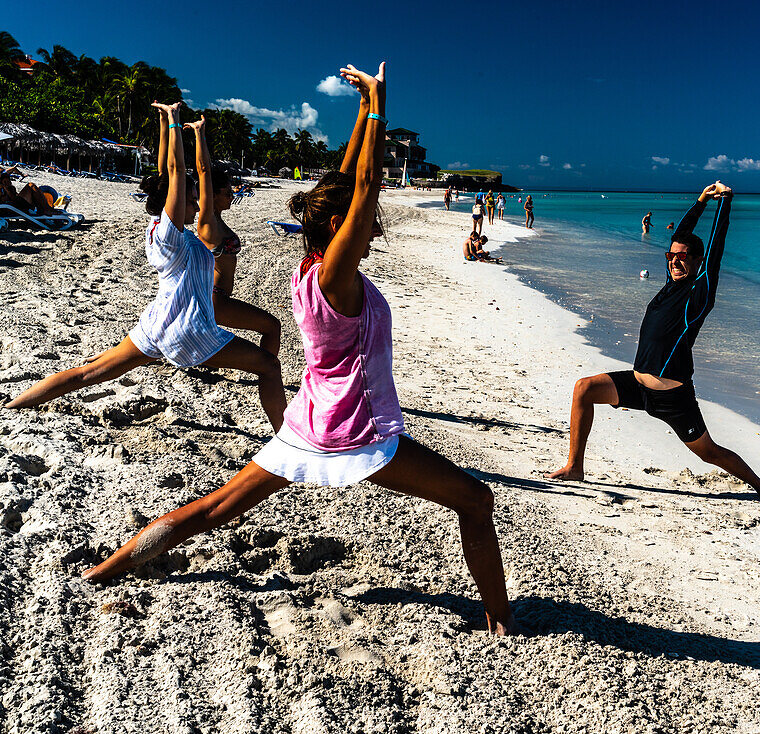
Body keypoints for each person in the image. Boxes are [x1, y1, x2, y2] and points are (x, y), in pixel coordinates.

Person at [81, 63, 515, 637]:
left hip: (309, 419)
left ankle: (103, 573)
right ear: (340, 225)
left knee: (215, 509)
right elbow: (359, 187)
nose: (376, 226)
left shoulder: (312, 267)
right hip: (352, 430)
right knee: (476, 501)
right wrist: (381, 104)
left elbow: (343, 181)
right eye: (367, 220)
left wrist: (363, 112)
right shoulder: (338, 277)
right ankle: (501, 622)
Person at [4, 102, 286, 430]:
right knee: (267, 366)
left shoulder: (157, 228)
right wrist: (179, 122)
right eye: (191, 200)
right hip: (188, 329)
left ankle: (12, 405)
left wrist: (167, 121)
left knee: (89, 373)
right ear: (174, 203)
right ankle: (286, 439)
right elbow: (177, 174)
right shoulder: (171, 234)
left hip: (158, 323)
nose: (195, 205)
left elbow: (169, 173)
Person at [548, 181, 760, 505]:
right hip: (636, 384)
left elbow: (716, 244)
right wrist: (701, 200)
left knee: (709, 453)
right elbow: (681, 238)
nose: (674, 261)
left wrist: (725, 201)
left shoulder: (699, 294)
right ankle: (575, 466)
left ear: (697, 260)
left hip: (673, 398)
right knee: (584, 389)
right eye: (670, 256)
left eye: (683, 257)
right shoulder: (668, 286)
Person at [188, 116, 282, 356]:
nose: (232, 195)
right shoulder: (207, 221)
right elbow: (204, 171)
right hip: (215, 299)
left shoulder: (217, 220)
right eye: (228, 191)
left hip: (217, 297)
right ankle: (270, 374)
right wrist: (199, 134)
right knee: (272, 326)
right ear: (214, 194)